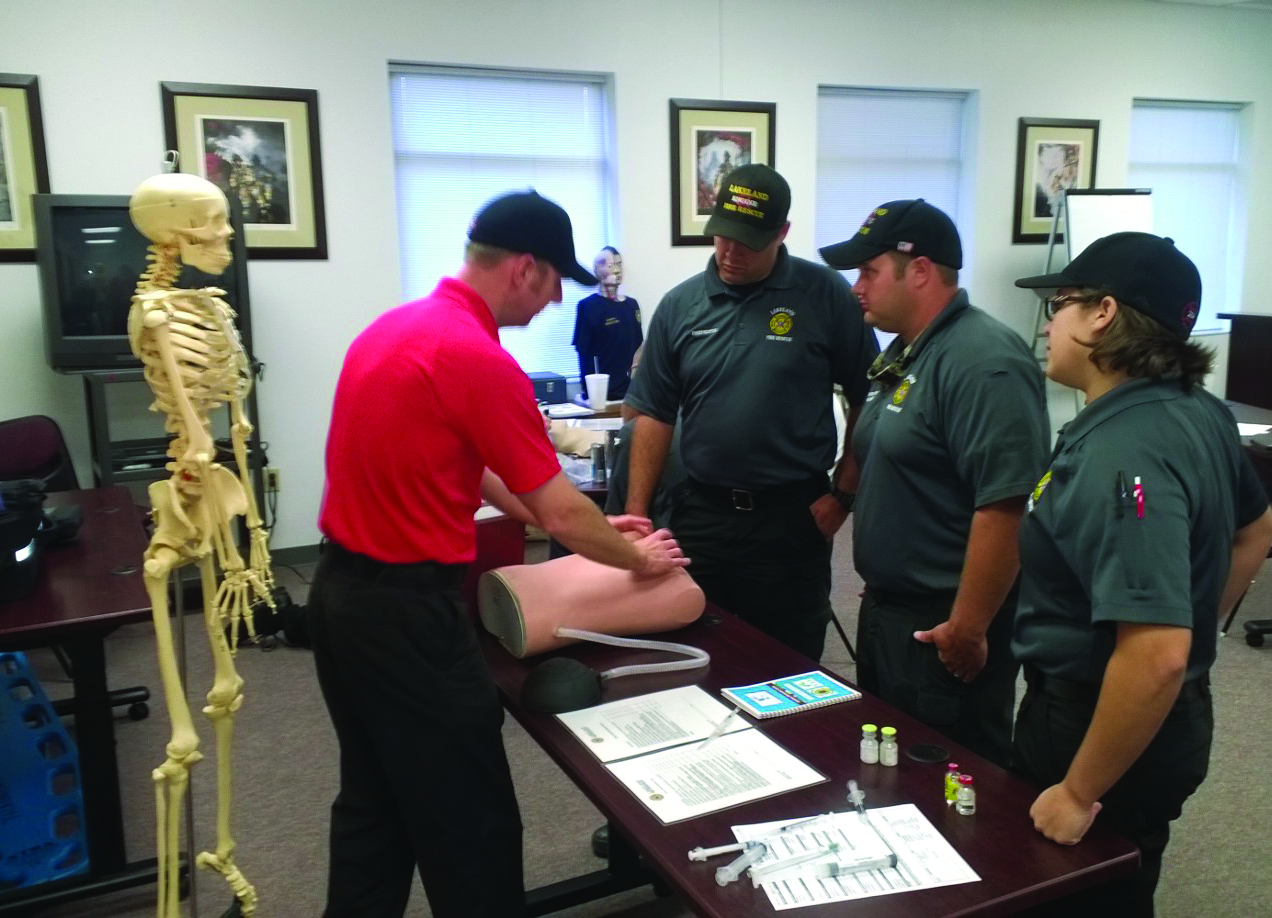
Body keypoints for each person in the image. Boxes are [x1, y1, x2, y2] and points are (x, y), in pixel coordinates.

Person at [308, 190, 687, 918]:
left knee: (375, 807)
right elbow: (562, 512)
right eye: (552, 285)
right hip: (407, 616)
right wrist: (639, 559)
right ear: (523, 269)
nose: (552, 304)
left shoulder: (397, 328)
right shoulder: (475, 357)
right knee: (471, 825)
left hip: (339, 600)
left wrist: (603, 529)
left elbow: (481, 471)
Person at [1010, 232, 1272, 916]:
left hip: (1100, 722)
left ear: (1103, 313)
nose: (1048, 324)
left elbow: (1156, 654)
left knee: (1083, 896)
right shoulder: (1197, 410)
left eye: (1059, 304)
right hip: (1160, 715)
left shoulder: (1124, 450)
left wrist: (1077, 792)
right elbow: (1258, 528)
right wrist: (1191, 619)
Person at [816, 199, 1049, 766]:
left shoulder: (983, 362)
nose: (855, 288)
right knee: (887, 771)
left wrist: (966, 628)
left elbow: (1007, 508)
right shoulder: (908, 352)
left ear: (918, 270)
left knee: (953, 778)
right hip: (892, 612)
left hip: (944, 626)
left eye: (868, 272)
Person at [623, 163, 878, 661]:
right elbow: (654, 414)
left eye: (749, 242)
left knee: (787, 661)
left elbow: (868, 394)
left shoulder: (825, 294)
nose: (730, 252)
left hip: (790, 516)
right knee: (694, 650)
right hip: (701, 514)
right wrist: (636, 514)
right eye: (722, 237)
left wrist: (844, 496)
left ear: (782, 233)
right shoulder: (680, 306)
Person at [572, 246, 642, 401]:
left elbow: (639, 347)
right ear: (596, 270)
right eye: (610, 265)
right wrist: (591, 393)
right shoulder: (588, 306)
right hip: (601, 395)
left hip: (630, 394)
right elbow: (583, 352)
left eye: (619, 264)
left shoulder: (632, 305)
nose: (616, 270)